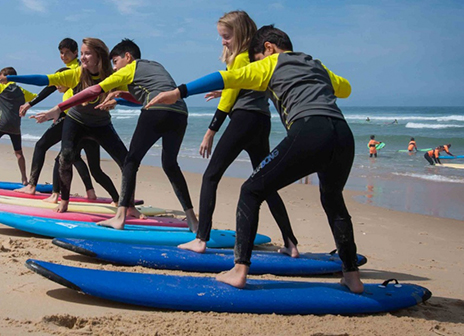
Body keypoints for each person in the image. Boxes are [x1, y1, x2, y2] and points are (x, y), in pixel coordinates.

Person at [146, 25, 363, 293]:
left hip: (310, 130)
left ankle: (239, 271)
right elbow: (346, 89)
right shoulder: (316, 65)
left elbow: (225, 78)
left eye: (258, 57)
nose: (258, 63)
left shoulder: (271, 62)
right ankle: (352, 277)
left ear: (269, 48)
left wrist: (179, 92)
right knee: (333, 201)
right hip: (343, 136)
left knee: (251, 190)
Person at [30, 38, 199, 231]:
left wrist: (59, 107)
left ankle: (120, 216)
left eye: (116, 62)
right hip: (180, 112)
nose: (115, 68)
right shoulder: (154, 66)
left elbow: (94, 90)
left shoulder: (128, 69)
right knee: (170, 164)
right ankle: (192, 220)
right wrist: (119, 99)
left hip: (152, 111)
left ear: (128, 57)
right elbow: (141, 97)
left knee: (130, 161)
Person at [177, 11, 298, 256]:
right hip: (261, 121)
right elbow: (252, 88)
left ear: (240, 34)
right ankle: (291, 243)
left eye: (226, 36)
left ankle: (201, 239)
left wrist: (211, 130)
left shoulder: (241, 58)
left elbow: (232, 95)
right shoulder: (259, 60)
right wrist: (226, 93)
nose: (223, 41)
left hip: (243, 121)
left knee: (211, 176)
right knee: (266, 184)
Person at [0, 38, 130, 214]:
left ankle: (126, 205)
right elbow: (45, 80)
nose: (83, 58)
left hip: (101, 124)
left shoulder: (112, 75)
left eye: (87, 53)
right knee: (65, 158)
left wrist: (120, 98)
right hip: (76, 120)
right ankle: (63, 201)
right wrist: (10, 78)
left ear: (99, 55)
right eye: (82, 53)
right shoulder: (76, 73)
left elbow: (131, 95)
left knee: (126, 162)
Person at [14, 38, 119, 205]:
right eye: (61, 53)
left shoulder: (80, 69)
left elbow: (48, 82)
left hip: (72, 117)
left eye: (66, 53)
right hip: (81, 119)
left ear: (75, 52)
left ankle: (43, 190)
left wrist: (31, 102)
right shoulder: (77, 69)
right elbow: (51, 82)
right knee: (76, 158)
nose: (63, 56)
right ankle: (92, 193)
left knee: (50, 150)